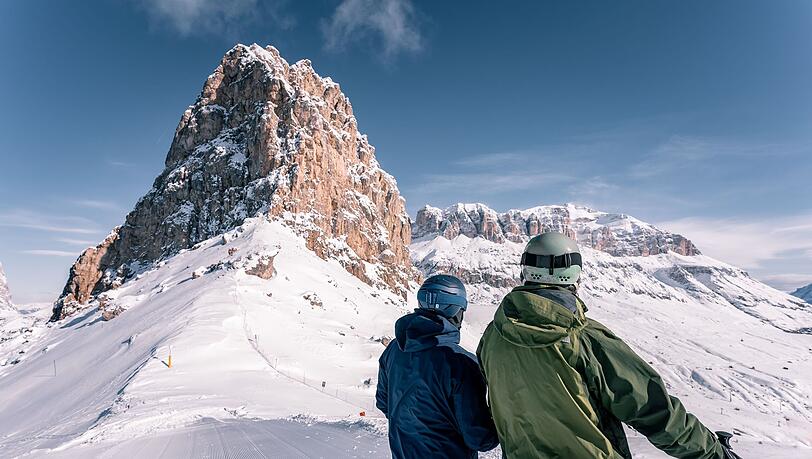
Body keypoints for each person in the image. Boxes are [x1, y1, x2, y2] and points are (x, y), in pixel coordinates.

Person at [477, 232, 739, 459]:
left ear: (525, 268)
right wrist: (713, 452)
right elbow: (654, 411)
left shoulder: (493, 336)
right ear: (575, 272)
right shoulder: (585, 338)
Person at [376, 274, 499, 459]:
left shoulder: (395, 349)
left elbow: (383, 402)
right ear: (456, 312)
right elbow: (480, 438)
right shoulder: (461, 364)